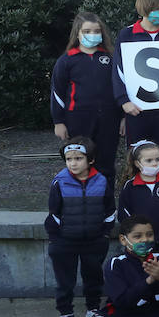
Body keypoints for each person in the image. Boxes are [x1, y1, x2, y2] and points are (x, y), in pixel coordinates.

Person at [45, 137, 114, 317]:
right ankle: (65, 313)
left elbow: (109, 210)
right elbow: (54, 213)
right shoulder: (59, 182)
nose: (73, 163)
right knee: (65, 279)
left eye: (78, 158)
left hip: (94, 240)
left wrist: (105, 235)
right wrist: (56, 238)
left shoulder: (101, 181)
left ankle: (92, 308)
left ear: (90, 160)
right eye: (69, 159)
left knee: (93, 276)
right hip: (64, 241)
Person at [51, 12, 122, 189]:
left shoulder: (111, 58)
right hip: (78, 120)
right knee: (79, 164)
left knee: (106, 163)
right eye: (87, 31)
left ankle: (106, 210)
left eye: (96, 31)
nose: (92, 35)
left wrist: (123, 117)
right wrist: (58, 122)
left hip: (109, 119)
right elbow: (57, 93)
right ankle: (79, 201)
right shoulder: (67, 60)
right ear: (77, 33)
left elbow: (121, 88)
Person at [114, 0, 159, 173]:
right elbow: (118, 71)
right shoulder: (127, 35)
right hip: (137, 110)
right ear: (144, 8)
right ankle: (136, 194)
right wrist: (123, 101)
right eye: (157, 8)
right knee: (136, 155)